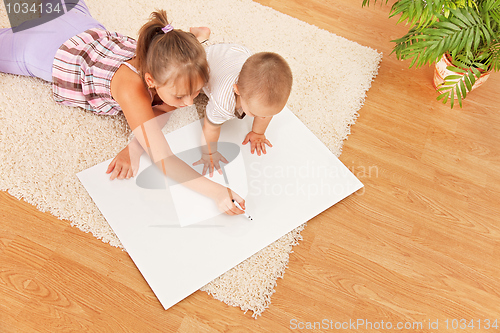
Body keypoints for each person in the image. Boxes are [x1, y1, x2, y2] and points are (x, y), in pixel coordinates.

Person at [0, 1, 245, 215]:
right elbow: (163, 158)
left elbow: (160, 111)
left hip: (79, 21)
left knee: (31, 7)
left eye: (196, 92)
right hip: (43, 47)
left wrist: (135, 146)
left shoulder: (170, 53)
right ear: (150, 81)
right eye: (181, 96)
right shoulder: (131, 88)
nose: (190, 103)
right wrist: (217, 192)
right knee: (27, 14)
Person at [193, 43, 293, 177]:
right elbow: (210, 128)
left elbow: (264, 113)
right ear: (237, 90)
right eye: (255, 113)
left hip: (237, 53)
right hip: (206, 61)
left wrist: (258, 133)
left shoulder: (254, 83)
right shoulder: (222, 101)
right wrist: (209, 153)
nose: (262, 118)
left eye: (269, 115)